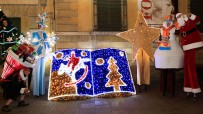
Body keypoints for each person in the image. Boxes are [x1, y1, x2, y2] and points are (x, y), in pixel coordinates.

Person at [154, 15, 184, 96]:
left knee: (171, 72)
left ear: (171, 22)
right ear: (164, 22)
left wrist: (180, 19)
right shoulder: (161, 29)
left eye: (169, 21)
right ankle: (163, 89)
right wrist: (159, 43)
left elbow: (179, 29)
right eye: (167, 21)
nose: (168, 23)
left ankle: (171, 90)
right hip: (163, 51)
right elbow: (160, 39)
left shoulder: (174, 28)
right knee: (163, 72)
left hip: (173, 52)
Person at [176, 13, 203, 100]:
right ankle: (188, 87)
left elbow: (198, 19)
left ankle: (194, 88)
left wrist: (191, 15)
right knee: (187, 67)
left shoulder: (190, 21)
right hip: (186, 47)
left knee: (191, 67)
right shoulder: (180, 25)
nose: (179, 18)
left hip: (192, 44)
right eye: (178, 17)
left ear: (183, 17)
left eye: (180, 16)